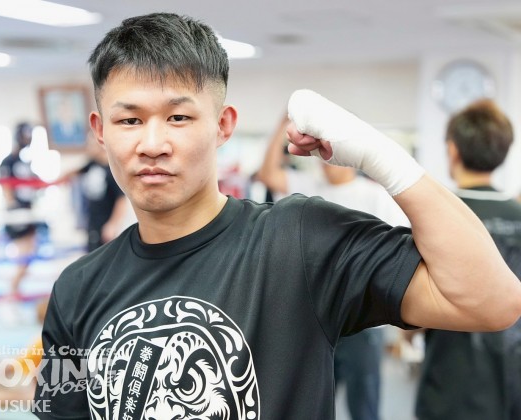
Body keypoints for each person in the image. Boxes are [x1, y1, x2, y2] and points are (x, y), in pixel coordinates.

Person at [33, 13, 521, 420]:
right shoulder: (76, 289)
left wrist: (384, 158)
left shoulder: (299, 239)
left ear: (223, 125)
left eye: (179, 117)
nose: (153, 143)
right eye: (129, 120)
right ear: (100, 130)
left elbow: (492, 302)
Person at [256, 113, 409, 420]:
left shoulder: (375, 196)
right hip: (314, 318)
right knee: (311, 406)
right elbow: (267, 173)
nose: (327, 160)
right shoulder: (305, 186)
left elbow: (399, 255)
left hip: (364, 323)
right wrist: (282, 124)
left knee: (364, 407)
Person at [409, 99, 521, 420]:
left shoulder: (434, 216)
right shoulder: (519, 215)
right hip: (512, 381)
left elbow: (413, 307)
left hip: (450, 383)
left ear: (453, 150)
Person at [62, 132, 129, 252]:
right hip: (92, 222)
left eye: (91, 144)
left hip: (105, 223)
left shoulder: (112, 171)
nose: (89, 147)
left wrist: (112, 224)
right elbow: (73, 173)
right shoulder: (92, 164)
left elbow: (121, 200)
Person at [0, 122, 43, 299]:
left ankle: (14, 292)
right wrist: (14, 208)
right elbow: (6, 187)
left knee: (29, 256)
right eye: (25, 135)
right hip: (18, 214)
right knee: (24, 258)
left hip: (28, 212)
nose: (28, 139)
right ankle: (11, 295)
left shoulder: (25, 163)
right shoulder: (8, 161)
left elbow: (34, 186)